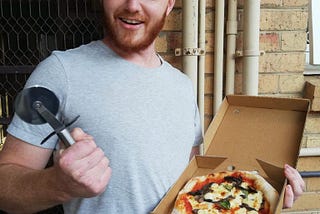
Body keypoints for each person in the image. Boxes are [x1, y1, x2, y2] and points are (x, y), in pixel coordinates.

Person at [0, 0, 305, 213]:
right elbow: (5, 189)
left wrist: (257, 199)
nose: (133, 5)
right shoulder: (59, 71)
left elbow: (195, 180)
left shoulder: (182, 86)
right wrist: (58, 184)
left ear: (169, 3)